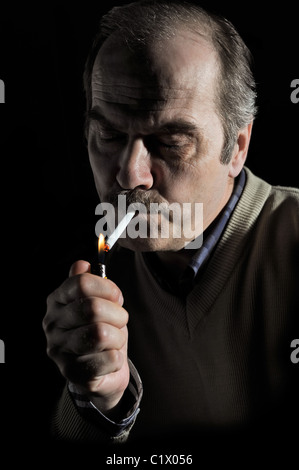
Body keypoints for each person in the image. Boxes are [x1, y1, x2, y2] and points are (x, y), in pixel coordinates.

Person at [43, 0, 299, 446]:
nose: (129, 175)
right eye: (109, 135)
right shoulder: (87, 284)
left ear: (237, 147)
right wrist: (98, 399)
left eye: (169, 142)